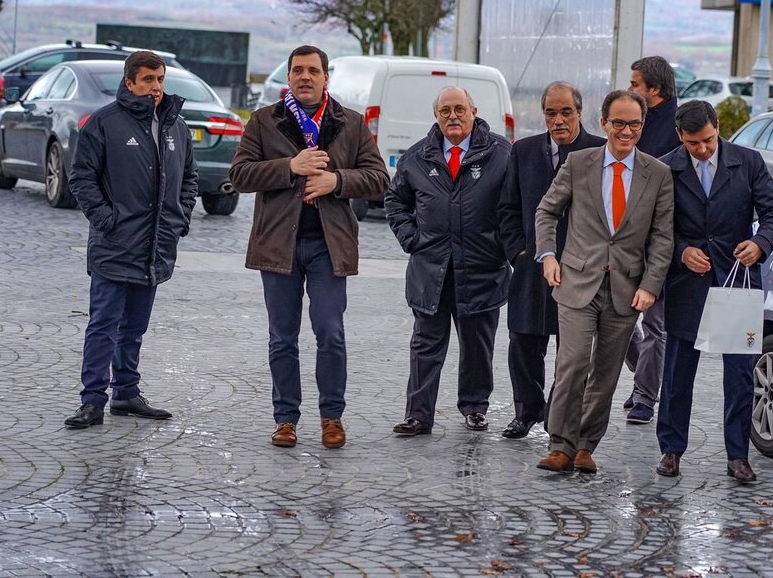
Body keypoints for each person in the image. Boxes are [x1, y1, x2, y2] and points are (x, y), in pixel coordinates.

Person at [229, 45, 389, 450]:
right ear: (288, 77)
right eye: (297, 70)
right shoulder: (265, 121)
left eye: (312, 71)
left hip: (328, 247)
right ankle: (285, 419)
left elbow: (378, 178)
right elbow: (240, 175)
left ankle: (331, 417)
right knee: (282, 337)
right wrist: (289, 167)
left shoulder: (349, 123)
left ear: (325, 78)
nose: (305, 77)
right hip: (279, 246)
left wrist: (337, 181)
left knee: (330, 333)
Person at [533, 90, 674, 474]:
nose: (626, 131)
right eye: (619, 123)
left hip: (627, 290)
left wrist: (651, 284)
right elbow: (547, 211)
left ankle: (584, 445)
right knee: (573, 363)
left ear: (643, 126)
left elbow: (663, 236)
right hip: (577, 280)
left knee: (606, 373)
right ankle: (559, 444)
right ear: (604, 124)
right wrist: (548, 256)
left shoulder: (657, 174)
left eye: (634, 124)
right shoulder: (579, 163)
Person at [64, 50, 198, 429]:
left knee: (134, 328)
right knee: (103, 325)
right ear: (130, 83)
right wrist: (108, 220)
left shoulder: (176, 126)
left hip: (155, 247)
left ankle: (126, 394)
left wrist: (179, 219)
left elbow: (189, 178)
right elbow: (81, 179)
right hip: (114, 245)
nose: (156, 88)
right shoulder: (104, 123)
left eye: (160, 80)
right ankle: (92, 401)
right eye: (148, 80)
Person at [655, 99, 773, 483]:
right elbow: (656, 227)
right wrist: (682, 251)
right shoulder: (666, 167)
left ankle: (737, 456)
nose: (703, 149)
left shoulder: (748, 161)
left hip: (737, 279)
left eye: (709, 140)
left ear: (718, 129)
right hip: (686, 283)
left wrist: (760, 243)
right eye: (694, 143)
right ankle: (671, 450)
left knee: (741, 374)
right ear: (681, 136)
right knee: (678, 372)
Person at [386, 86, 511, 436]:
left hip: (482, 269)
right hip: (432, 271)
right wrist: (412, 239)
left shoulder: (500, 153)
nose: (452, 116)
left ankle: (474, 407)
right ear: (436, 116)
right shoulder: (417, 157)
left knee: (477, 345)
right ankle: (418, 415)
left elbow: (515, 204)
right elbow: (395, 201)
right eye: (445, 111)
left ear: (474, 111)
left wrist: (500, 246)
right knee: (426, 344)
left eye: (459, 109)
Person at [497, 82, 602, 439]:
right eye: (551, 113)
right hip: (531, 266)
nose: (558, 120)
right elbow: (508, 207)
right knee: (523, 342)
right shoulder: (524, 151)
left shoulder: (598, 152)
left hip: (579, 269)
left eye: (566, 112)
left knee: (572, 351)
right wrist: (518, 252)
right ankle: (526, 411)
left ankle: (559, 416)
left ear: (579, 112)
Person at [623, 56, 682, 425]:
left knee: (656, 325)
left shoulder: (676, 128)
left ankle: (646, 395)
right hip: (624, 240)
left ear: (654, 90)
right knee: (621, 322)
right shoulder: (632, 121)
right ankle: (645, 379)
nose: (629, 89)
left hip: (661, 242)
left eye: (635, 84)